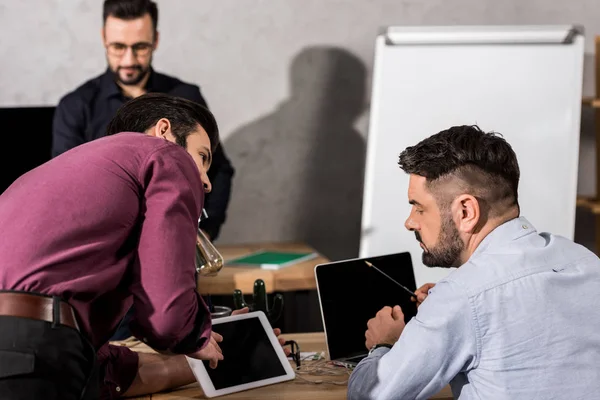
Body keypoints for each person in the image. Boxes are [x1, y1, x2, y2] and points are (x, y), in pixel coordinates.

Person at [0, 93, 285, 400]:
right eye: (202, 157)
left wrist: (212, 349)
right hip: (36, 350)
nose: (206, 182)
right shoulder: (165, 154)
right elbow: (165, 319)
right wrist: (194, 332)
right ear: (164, 130)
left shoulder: (49, 179)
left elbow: (108, 370)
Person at [347, 125, 600, 399]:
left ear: (466, 211)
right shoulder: (584, 261)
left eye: (419, 207)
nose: (410, 222)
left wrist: (384, 344)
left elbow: (371, 396)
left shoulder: (462, 296)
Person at [51, 0, 233, 241]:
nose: (128, 60)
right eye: (118, 47)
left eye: (140, 47)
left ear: (155, 40)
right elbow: (65, 188)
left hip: (176, 241)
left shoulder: (186, 97)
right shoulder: (75, 106)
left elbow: (219, 170)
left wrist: (205, 233)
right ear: (103, 37)